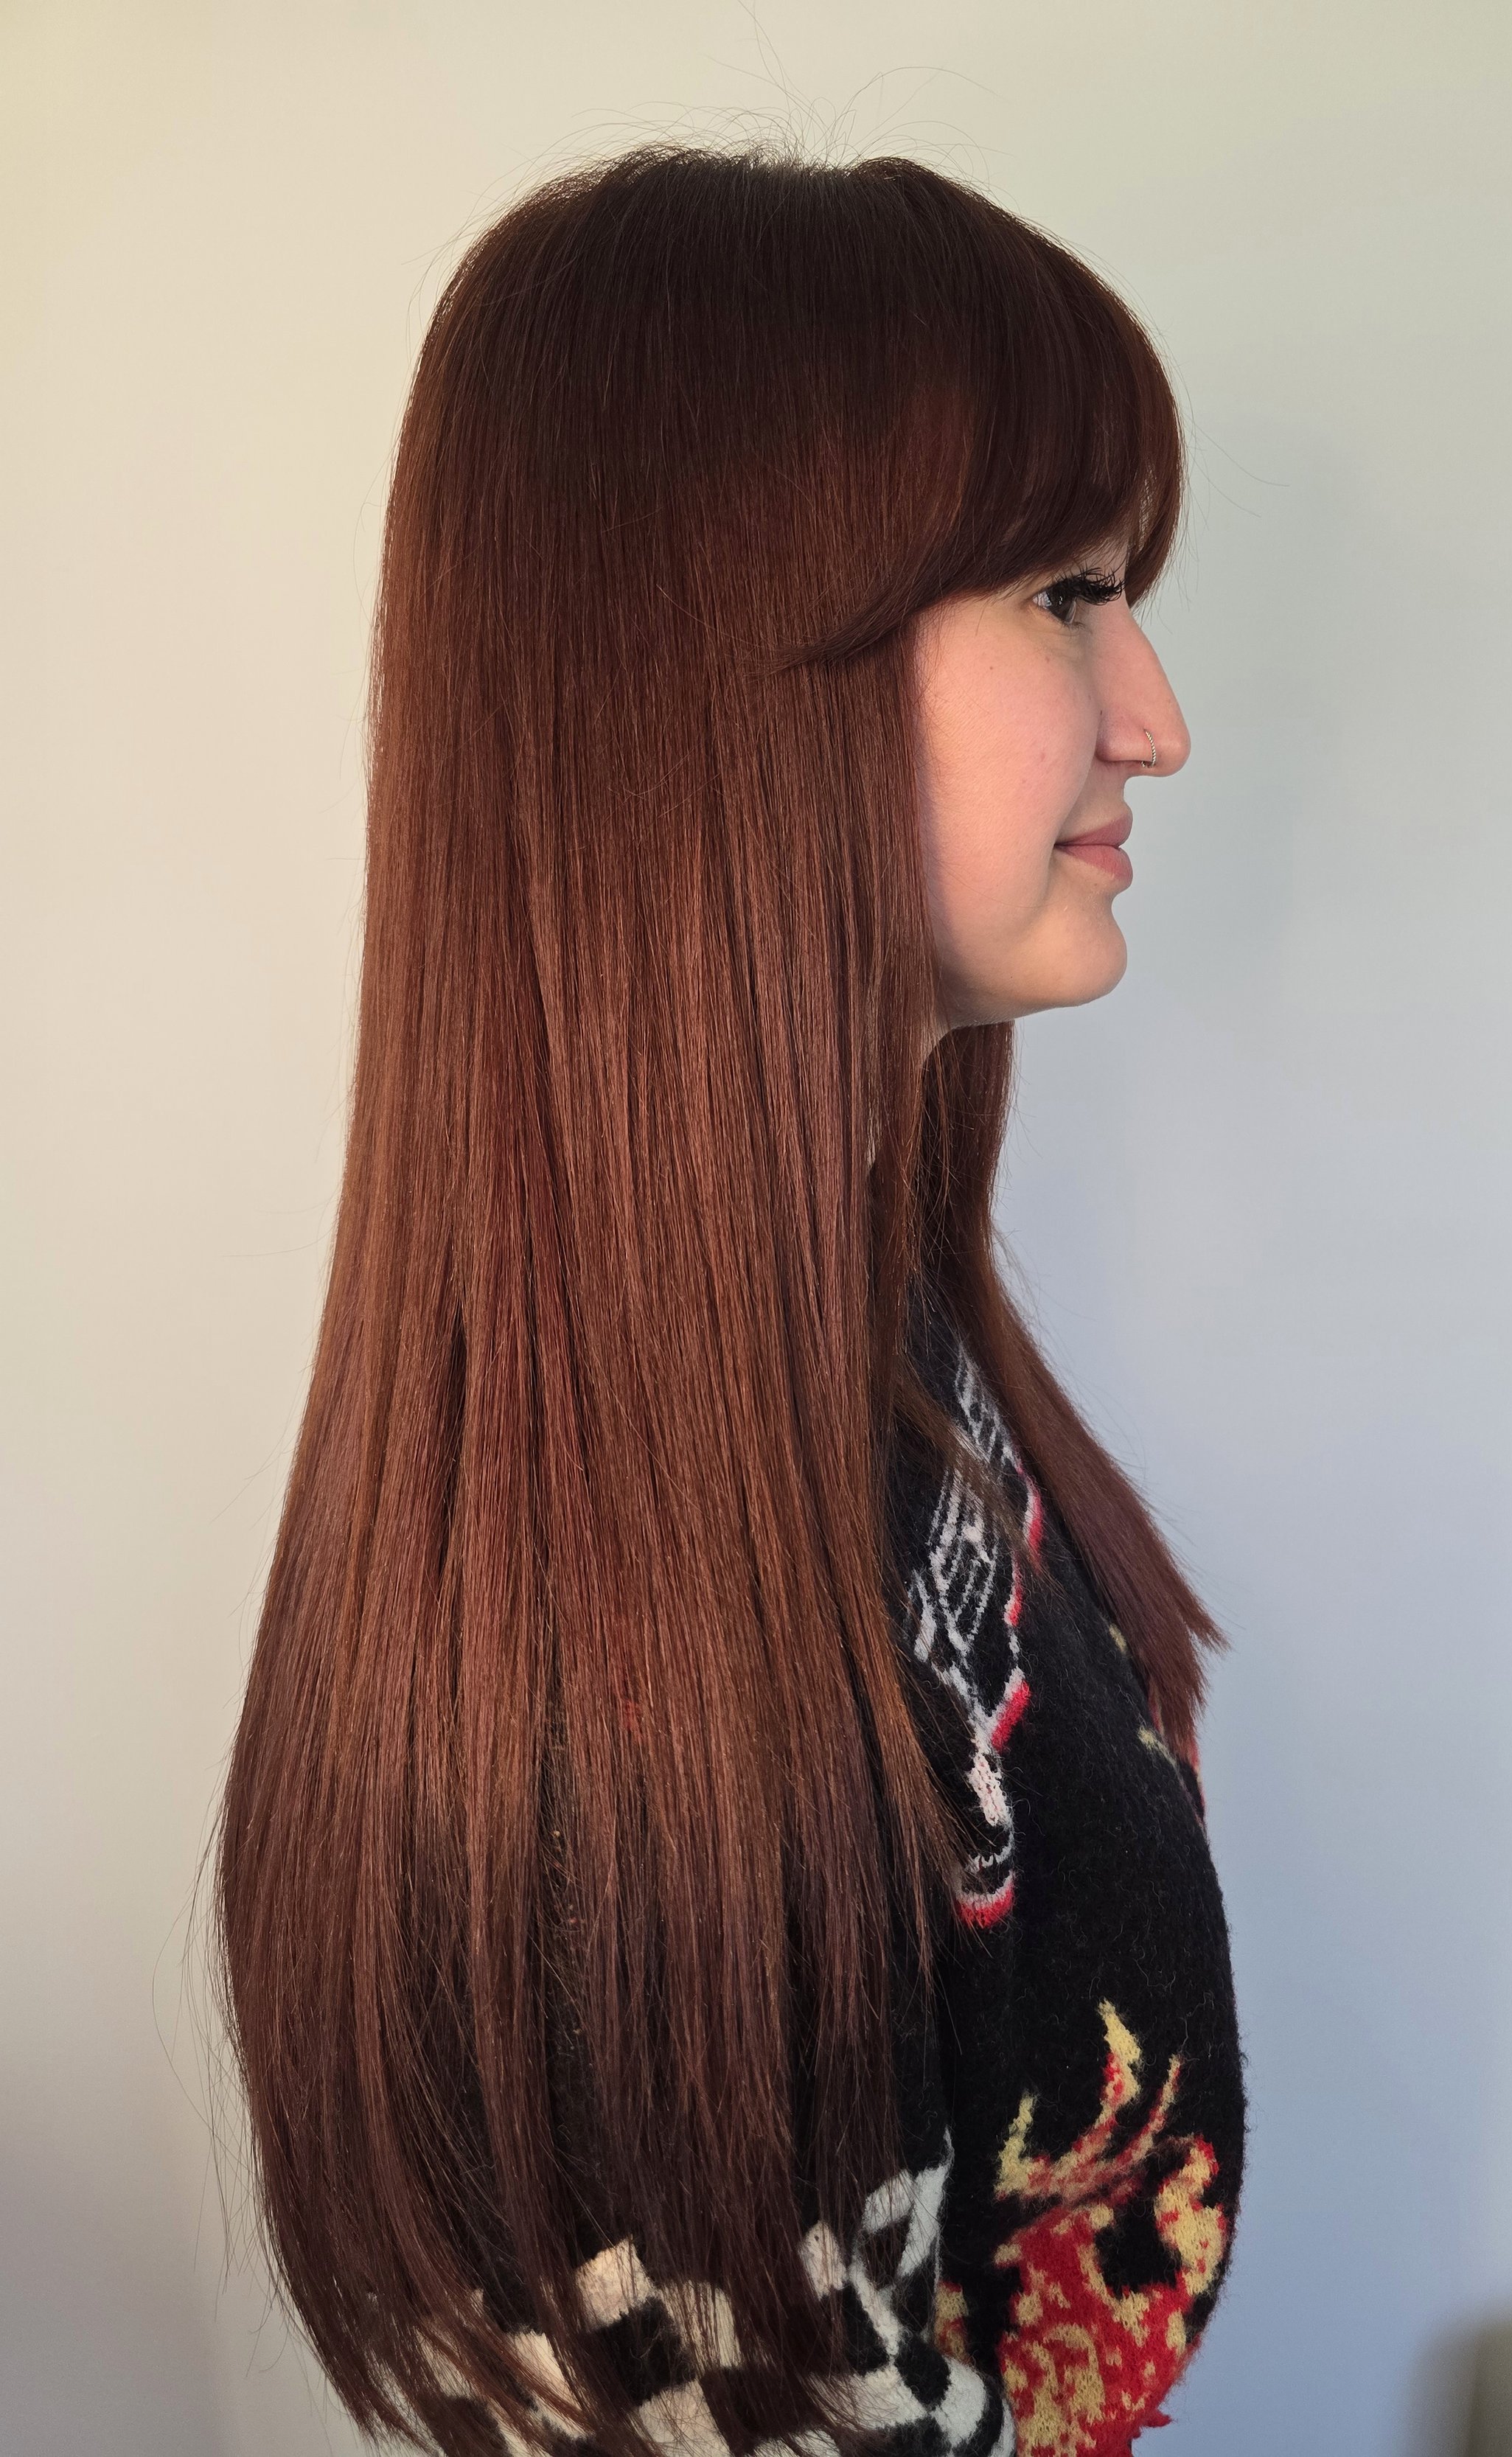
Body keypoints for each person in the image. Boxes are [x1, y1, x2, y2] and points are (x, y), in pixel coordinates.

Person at [215, 142, 1245, 2457]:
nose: (1154, 716)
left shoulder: (856, 1355)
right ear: (721, 678)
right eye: (1065, 596)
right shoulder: (621, 1754)